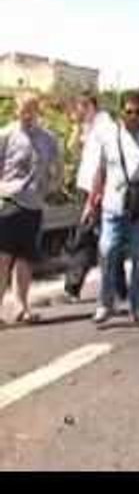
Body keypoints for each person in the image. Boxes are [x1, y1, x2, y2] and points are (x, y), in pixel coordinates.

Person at [85, 90, 139, 327]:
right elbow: (100, 171)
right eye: (129, 111)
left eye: (138, 112)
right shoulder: (109, 136)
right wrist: (91, 202)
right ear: (121, 112)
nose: (133, 116)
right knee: (108, 252)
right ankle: (106, 303)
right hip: (112, 206)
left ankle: (138, 306)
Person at [0, 91, 62, 324]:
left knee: (25, 258)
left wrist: (51, 186)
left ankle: (21, 307)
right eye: (23, 110)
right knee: (3, 258)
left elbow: (57, 166)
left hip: (33, 205)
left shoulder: (47, 138)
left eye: (31, 110)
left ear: (38, 111)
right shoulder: (6, 135)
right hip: (9, 202)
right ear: (16, 110)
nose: (27, 115)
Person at [64, 91, 127, 303]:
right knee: (89, 239)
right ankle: (113, 288)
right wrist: (78, 130)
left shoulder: (106, 128)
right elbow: (73, 149)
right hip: (87, 189)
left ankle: (115, 287)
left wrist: (96, 196)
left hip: (99, 190)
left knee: (98, 238)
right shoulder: (90, 128)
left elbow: (107, 163)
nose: (74, 113)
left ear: (88, 106)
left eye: (78, 109)